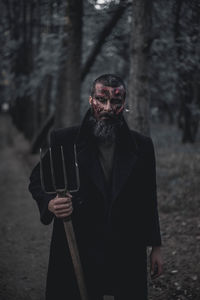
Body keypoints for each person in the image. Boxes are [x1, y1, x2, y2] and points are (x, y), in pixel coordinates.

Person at [28, 74, 163, 300]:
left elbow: (148, 198)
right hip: (79, 244)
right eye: (102, 99)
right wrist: (50, 203)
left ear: (124, 104)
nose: (109, 108)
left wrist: (156, 246)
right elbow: (37, 180)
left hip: (126, 244)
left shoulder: (142, 147)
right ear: (91, 100)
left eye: (116, 102)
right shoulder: (65, 140)